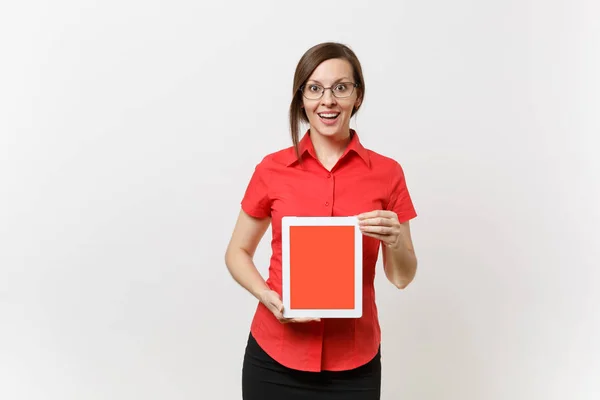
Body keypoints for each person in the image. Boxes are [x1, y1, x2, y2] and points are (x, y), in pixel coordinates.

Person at [224, 42, 418, 400]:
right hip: (274, 356)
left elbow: (401, 277)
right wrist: (265, 296)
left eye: (341, 87)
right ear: (302, 100)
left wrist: (395, 241)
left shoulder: (388, 173)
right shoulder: (272, 169)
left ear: (357, 96)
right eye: (315, 88)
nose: (327, 100)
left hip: (354, 363)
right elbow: (236, 251)